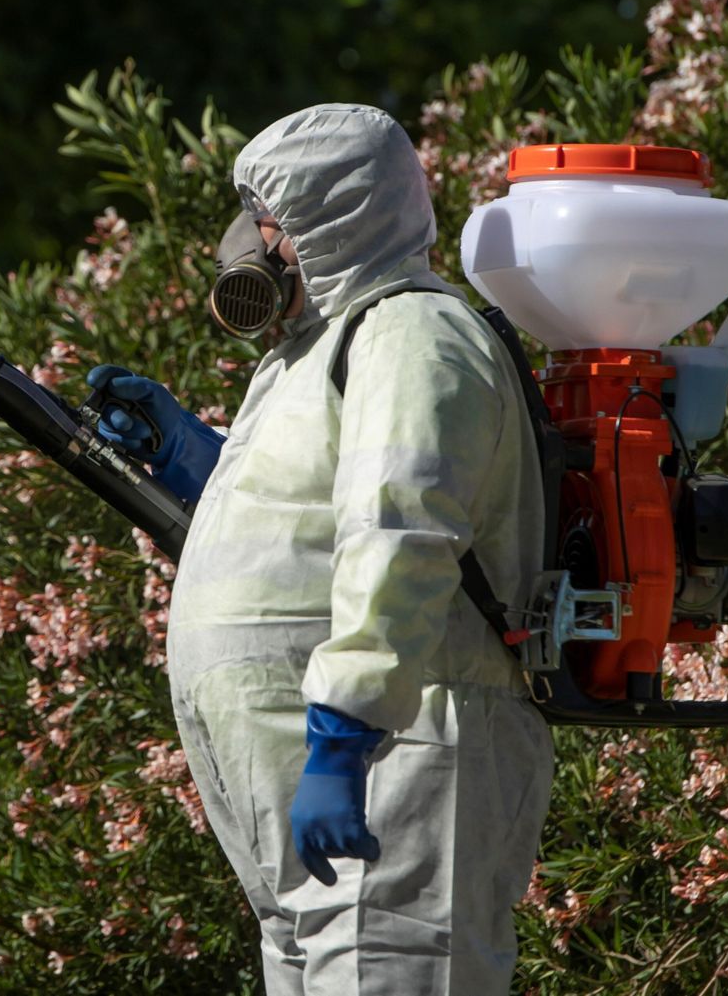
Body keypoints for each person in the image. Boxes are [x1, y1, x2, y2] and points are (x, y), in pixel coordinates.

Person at [87, 104, 554, 995]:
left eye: (268, 223)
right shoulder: (314, 350)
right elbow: (313, 521)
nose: (248, 245)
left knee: (396, 968)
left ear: (330, 218)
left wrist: (344, 738)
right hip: (324, 771)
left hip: (398, 752)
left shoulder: (413, 330)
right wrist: (195, 457)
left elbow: (402, 529)